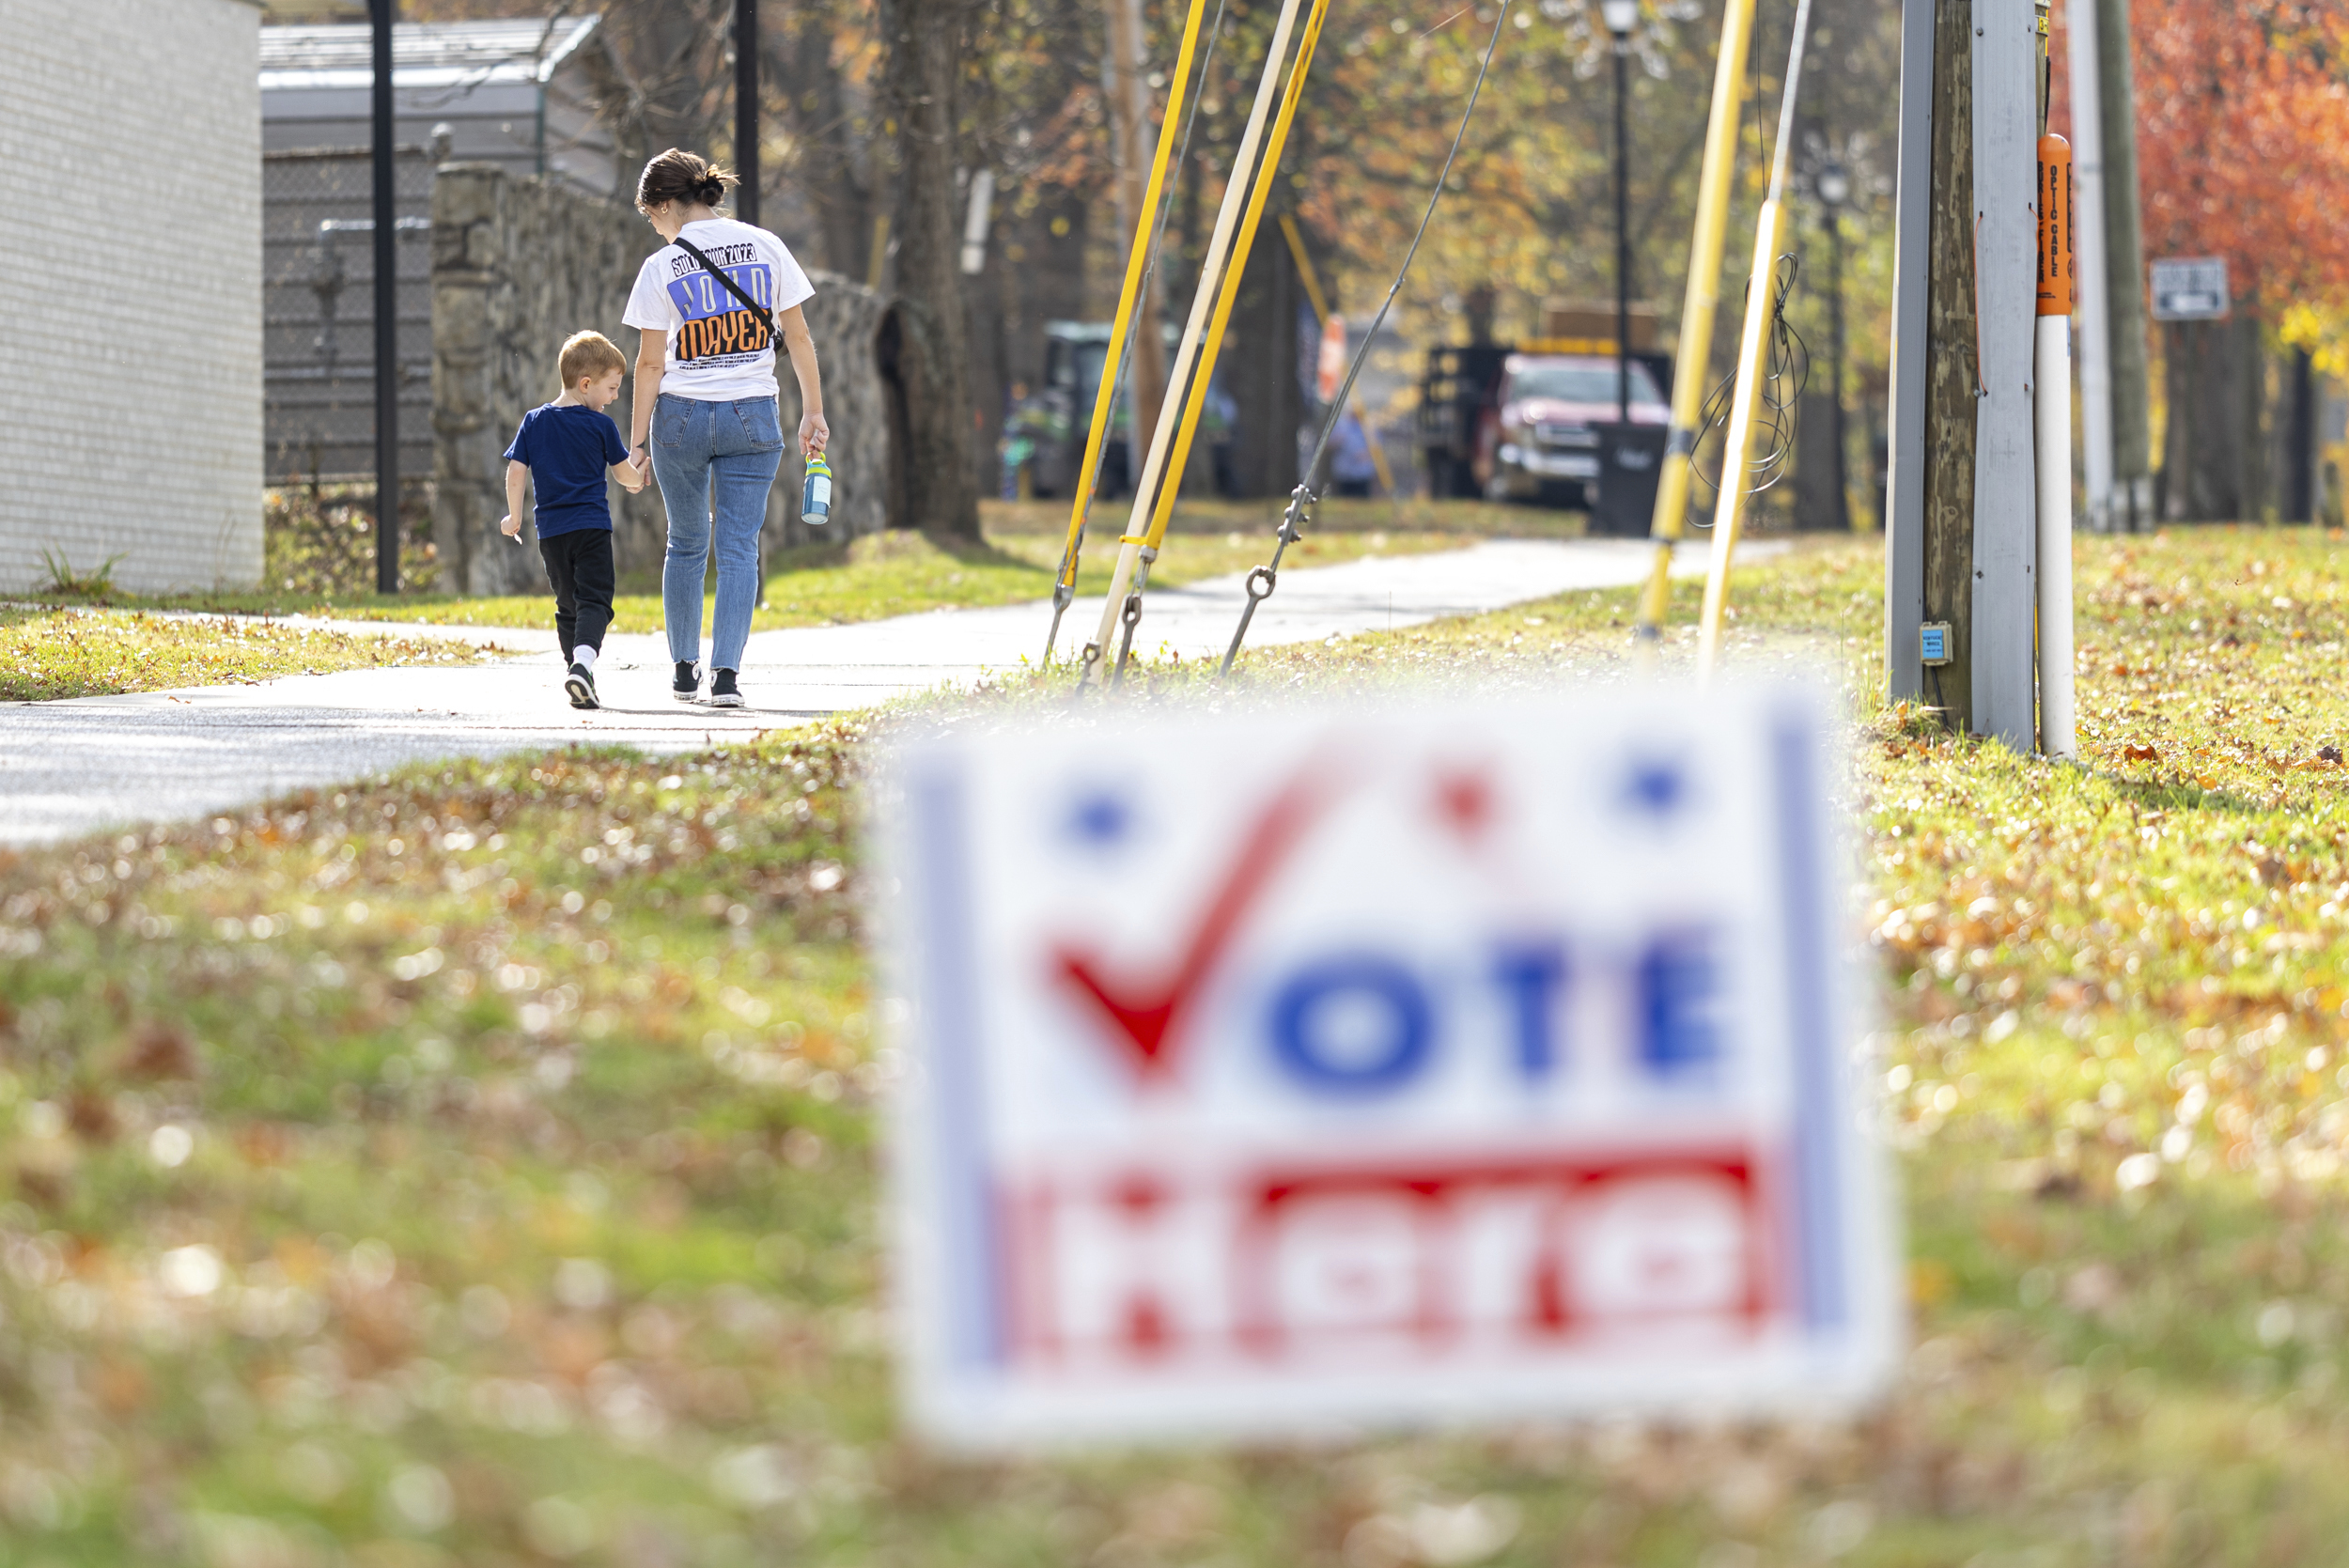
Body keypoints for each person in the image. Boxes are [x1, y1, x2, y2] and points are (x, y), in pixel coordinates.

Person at [622, 148, 828, 709]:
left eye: (651, 216)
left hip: (680, 418)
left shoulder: (662, 267)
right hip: (753, 413)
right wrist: (813, 411)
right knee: (740, 549)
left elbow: (648, 364)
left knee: (685, 544)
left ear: (664, 205)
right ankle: (728, 678)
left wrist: (636, 444)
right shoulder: (767, 245)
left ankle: (684, 671)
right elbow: (800, 338)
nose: (655, 228)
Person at [499, 331, 646, 710]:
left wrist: (513, 514)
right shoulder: (601, 426)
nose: (615, 396)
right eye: (612, 388)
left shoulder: (534, 421)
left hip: (550, 534)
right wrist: (638, 477)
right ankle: (582, 665)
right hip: (591, 529)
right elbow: (622, 473)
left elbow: (516, 470)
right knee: (595, 599)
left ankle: (577, 673)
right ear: (586, 384)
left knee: (568, 604)